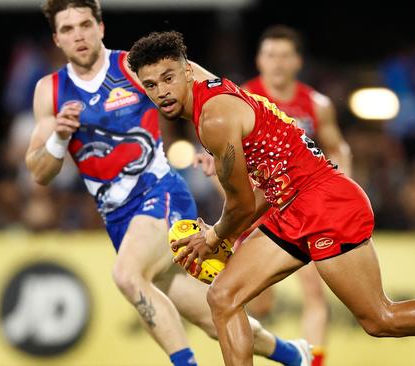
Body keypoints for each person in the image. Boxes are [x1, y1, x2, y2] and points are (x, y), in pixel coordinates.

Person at [128, 30, 415, 366]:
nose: (162, 91)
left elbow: (240, 205)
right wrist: (224, 238)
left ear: (187, 72)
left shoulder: (214, 118)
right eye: (150, 85)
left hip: (325, 204)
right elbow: (258, 195)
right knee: (223, 297)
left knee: (380, 319)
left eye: (168, 78)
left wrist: (214, 237)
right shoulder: (200, 85)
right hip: (290, 204)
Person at [26, 2, 312, 366]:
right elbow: (39, 172)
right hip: (119, 220)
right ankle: (295, 356)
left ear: (100, 27)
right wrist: (58, 139)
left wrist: (222, 142)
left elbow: (213, 89)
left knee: (128, 276)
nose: (78, 35)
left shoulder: (133, 67)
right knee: (213, 315)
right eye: (67, 29)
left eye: (85, 24)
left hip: (159, 194)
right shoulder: (49, 92)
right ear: (56, 39)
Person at [241, 25, 352, 366]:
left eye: (284, 55)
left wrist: (342, 194)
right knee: (256, 301)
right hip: (259, 206)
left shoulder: (316, 104)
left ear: (298, 61)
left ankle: (313, 363)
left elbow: (337, 148)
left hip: (306, 207)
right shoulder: (242, 98)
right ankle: (284, 352)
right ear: (259, 60)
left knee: (316, 291)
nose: (277, 63)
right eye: (270, 55)